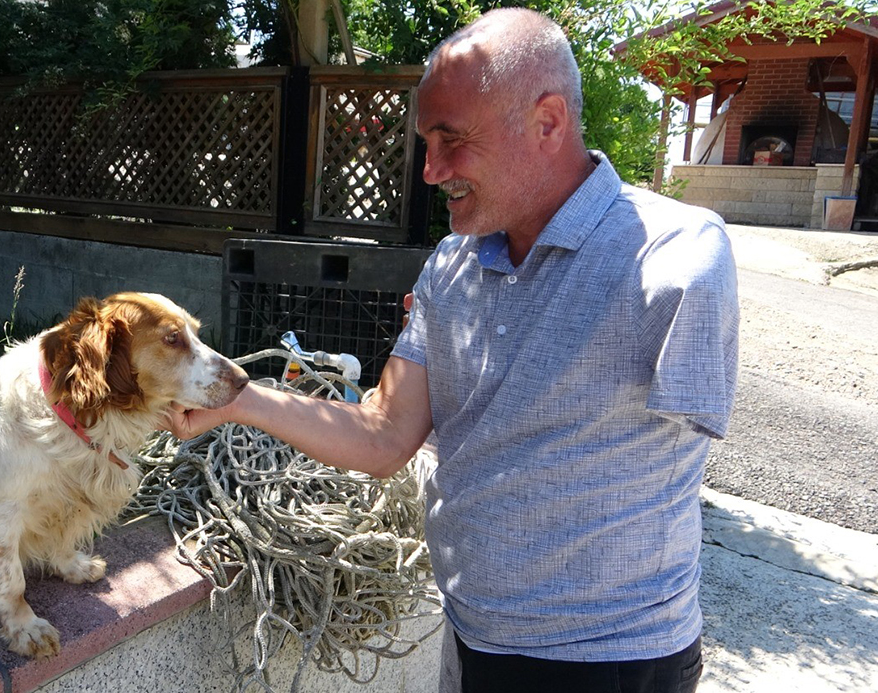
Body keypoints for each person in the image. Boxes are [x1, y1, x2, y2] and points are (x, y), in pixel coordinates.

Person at [166, 7, 738, 693]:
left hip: (606, 662)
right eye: (425, 142)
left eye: (451, 139)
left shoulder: (676, 256)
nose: (431, 171)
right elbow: (383, 434)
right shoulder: (452, 265)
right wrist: (238, 398)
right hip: (470, 637)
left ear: (548, 122)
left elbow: (681, 462)